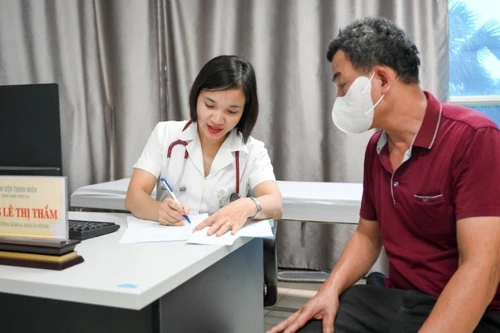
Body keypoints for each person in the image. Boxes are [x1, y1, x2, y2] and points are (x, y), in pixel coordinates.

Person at [269, 17, 500, 333]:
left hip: (471, 307)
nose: (339, 99)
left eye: (342, 85)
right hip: (396, 299)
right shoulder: (376, 149)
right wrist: (329, 290)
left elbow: (482, 268)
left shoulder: (475, 138)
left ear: (380, 79)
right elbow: (367, 234)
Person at [125, 55, 282, 236]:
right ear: (196, 96)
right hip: (168, 248)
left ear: (244, 112)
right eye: (209, 105)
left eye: (231, 111)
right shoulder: (165, 134)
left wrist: (249, 205)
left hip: (223, 252)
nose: (217, 119)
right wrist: (159, 210)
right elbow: (133, 197)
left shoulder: (253, 150)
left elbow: (276, 205)